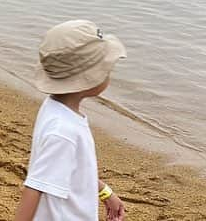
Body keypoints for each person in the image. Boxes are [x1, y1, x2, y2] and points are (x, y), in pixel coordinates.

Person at [13, 20, 128, 221]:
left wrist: (104, 191)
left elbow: (74, 171)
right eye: (107, 68)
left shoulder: (54, 108)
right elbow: (34, 187)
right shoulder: (63, 131)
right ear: (89, 79)